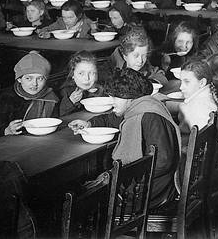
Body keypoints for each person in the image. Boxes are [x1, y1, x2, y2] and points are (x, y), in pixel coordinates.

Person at [71, 68, 181, 206]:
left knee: (85, 199)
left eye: (114, 97)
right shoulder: (143, 106)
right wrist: (89, 123)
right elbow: (111, 119)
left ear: (129, 97)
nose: (111, 101)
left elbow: (163, 162)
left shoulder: (149, 117)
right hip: (150, 187)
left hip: (150, 193)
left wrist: (126, 177)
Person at [0, 51, 58, 136]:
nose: (34, 84)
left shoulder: (51, 97)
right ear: (19, 79)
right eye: (29, 78)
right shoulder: (7, 98)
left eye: (40, 79)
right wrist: (6, 130)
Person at [176, 58, 218, 136]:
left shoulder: (198, 107)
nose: (181, 87)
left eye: (187, 82)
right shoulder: (207, 95)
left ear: (202, 83)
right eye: (181, 81)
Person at [58, 51, 104, 116]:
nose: (87, 78)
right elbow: (60, 115)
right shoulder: (66, 91)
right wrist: (71, 101)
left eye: (91, 73)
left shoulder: (101, 88)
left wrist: (98, 93)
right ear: (72, 75)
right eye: (81, 73)